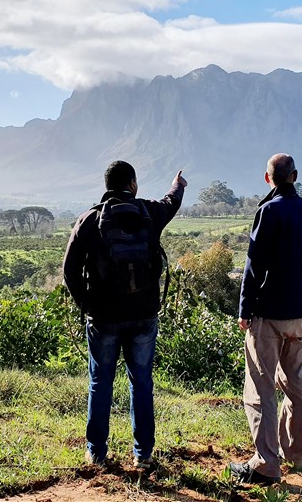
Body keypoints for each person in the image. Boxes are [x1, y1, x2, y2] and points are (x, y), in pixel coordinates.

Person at [63, 161, 187, 469]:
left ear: (106, 185)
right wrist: (178, 184)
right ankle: (143, 455)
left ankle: (96, 452)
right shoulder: (148, 212)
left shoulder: (89, 220)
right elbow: (171, 202)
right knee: (141, 383)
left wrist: (88, 305)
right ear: (132, 184)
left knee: (100, 382)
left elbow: (69, 272)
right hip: (144, 314)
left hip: (103, 317)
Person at [229, 153, 302, 485]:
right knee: (295, 383)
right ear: (295, 176)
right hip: (299, 314)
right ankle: (296, 455)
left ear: (267, 178)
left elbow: (254, 264)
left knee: (260, 388)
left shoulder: (268, 211)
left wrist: (245, 309)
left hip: (268, 315)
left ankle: (266, 465)